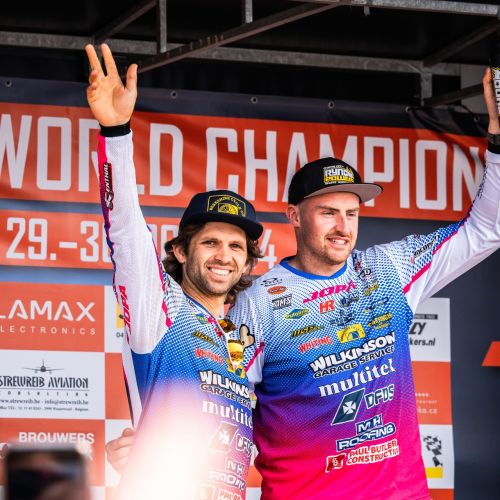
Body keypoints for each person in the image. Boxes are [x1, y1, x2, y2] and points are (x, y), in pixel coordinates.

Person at [106, 69, 500, 499]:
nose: (342, 227)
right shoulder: (256, 305)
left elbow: (487, 230)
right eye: (328, 212)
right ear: (294, 216)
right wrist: (152, 447)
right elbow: (214, 396)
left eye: (352, 213)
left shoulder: (390, 269)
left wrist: (497, 144)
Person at [85, 43, 263, 500]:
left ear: (247, 262)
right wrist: (116, 131)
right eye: (210, 242)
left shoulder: (249, 337)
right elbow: (126, 231)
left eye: (235, 247)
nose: (223, 256)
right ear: (181, 251)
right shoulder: (160, 309)